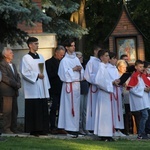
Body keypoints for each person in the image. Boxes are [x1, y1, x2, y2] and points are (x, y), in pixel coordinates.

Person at [20, 37, 50, 136]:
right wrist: (36, 75)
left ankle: (43, 129)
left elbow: (44, 71)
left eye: (38, 43)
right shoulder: (26, 58)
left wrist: (46, 84)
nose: (37, 45)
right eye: (35, 44)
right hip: (32, 88)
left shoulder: (41, 56)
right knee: (34, 108)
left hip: (42, 85)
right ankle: (34, 130)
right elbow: (25, 72)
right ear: (30, 45)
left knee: (42, 107)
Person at [57, 38, 84, 138]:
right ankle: (69, 128)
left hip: (77, 85)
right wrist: (73, 69)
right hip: (69, 86)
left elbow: (82, 73)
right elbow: (62, 75)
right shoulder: (64, 60)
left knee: (76, 107)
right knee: (69, 107)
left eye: (74, 45)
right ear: (67, 47)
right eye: (72, 45)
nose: (74, 47)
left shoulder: (76, 59)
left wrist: (80, 69)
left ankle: (75, 128)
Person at [94, 49, 119, 142]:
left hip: (108, 93)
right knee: (104, 114)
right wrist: (111, 83)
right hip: (104, 93)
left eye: (108, 55)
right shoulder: (101, 67)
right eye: (106, 55)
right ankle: (104, 134)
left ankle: (108, 133)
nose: (108, 57)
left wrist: (113, 82)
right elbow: (98, 81)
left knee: (108, 114)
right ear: (101, 57)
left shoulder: (105, 67)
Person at [127, 60, 150, 139]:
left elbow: (146, 85)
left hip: (144, 99)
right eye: (140, 67)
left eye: (142, 66)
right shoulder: (134, 76)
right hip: (138, 100)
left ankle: (142, 133)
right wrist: (143, 89)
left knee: (144, 116)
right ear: (136, 67)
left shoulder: (142, 76)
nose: (142, 68)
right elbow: (132, 89)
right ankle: (140, 133)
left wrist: (148, 88)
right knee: (145, 115)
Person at [45, 45, 66, 134]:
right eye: (61, 55)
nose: (62, 57)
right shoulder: (49, 62)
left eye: (63, 55)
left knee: (62, 108)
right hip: (53, 89)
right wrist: (59, 73)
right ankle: (52, 126)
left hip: (62, 88)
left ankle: (60, 126)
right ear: (56, 53)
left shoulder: (63, 62)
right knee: (53, 108)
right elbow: (49, 75)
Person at [0, 47, 21, 134]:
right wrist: (15, 84)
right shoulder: (2, 64)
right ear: (5, 55)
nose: (13, 54)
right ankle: (6, 129)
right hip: (7, 91)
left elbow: (17, 75)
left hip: (14, 91)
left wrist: (19, 83)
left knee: (14, 111)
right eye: (11, 53)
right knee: (7, 111)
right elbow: (4, 78)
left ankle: (14, 128)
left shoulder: (13, 64)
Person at [107, 52, 126, 137]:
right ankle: (113, 128)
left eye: (116, 58)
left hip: (117, 91)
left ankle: (118, 129)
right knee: (113, 111)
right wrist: (113, 82)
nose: (115, 60)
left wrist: (120, 81)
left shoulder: (114, 68)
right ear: (109, 59)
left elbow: (117, 78)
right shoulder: (106, 68)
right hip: (112, 91)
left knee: (118, 111)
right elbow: (106, 80)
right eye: (114, 58)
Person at [84, 45, 101, 133]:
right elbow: (87, 75)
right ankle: (92, 127)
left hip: (101, 88)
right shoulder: (91, 62)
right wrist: (96, 80)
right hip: (94, 87)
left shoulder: (101, 62)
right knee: (93, 107)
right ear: (95, 51)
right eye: (99, 51)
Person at [75, 51, 89, 135]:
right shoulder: (77, 67)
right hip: (79, 89)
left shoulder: (83, 66)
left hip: (85, 88)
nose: (82, 59)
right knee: (80, 109)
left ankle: (85, 127)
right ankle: (79, 127)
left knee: (84, 110)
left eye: (82, 57)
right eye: (80, 57)